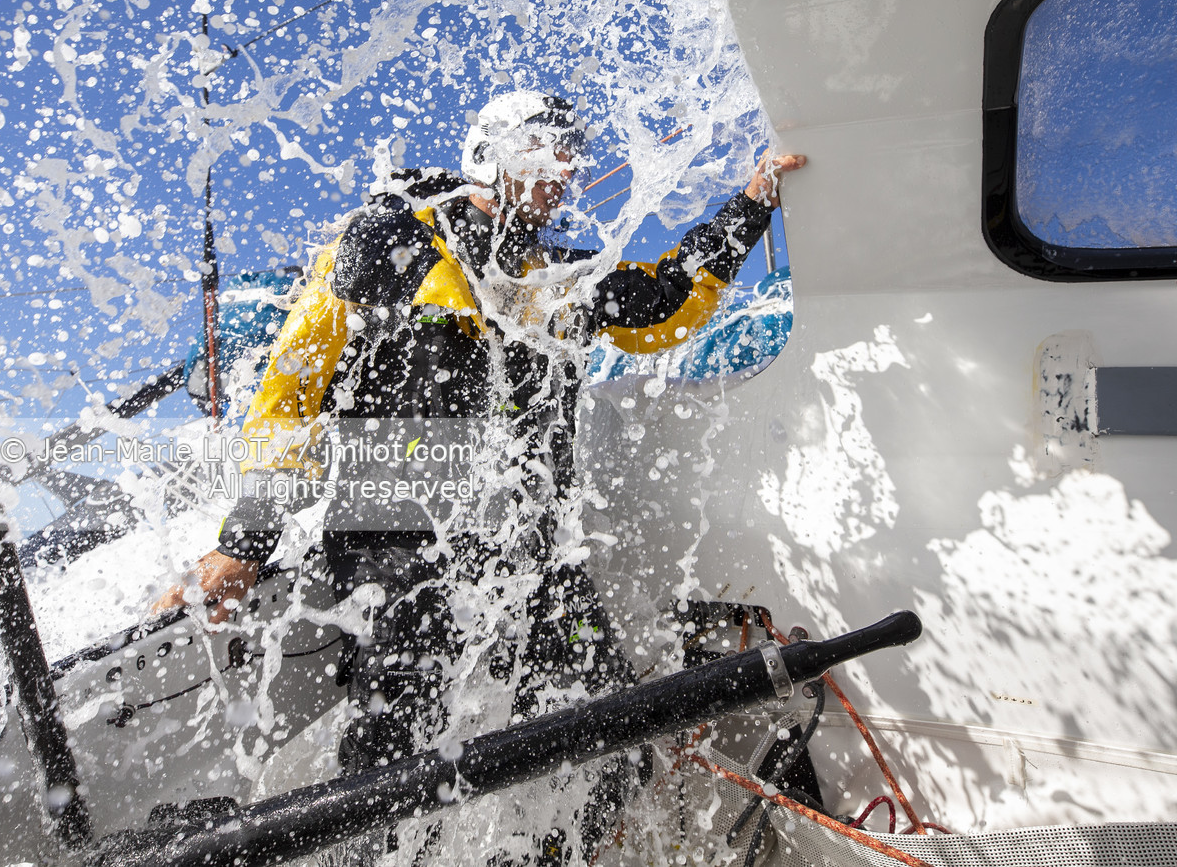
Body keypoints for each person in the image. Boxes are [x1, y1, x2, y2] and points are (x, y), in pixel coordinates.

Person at [153, 91, 802, 856]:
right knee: (393, 765)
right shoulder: (386, 239)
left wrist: (754, 201)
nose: (565, 166)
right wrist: (244, 543)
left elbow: (667, 303)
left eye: (571, 152)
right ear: (489, 153)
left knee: (613, 730)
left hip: (527, 551)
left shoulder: (557, 278)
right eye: (544, 146)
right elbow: (293, 393)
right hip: (395, 541)